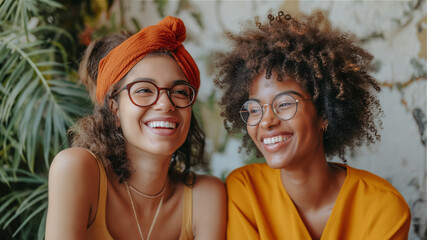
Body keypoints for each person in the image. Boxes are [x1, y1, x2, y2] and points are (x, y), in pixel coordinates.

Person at [214, 10, 411, 239]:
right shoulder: (246, 190)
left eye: (285, 103)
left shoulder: (382, 207)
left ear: (324, 113)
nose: (266, 121)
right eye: (255, 109)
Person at [46, 16, 226, 240]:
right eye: (143, 90)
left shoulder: (206, 197)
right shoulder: (77, 169)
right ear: (114, 109)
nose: (166, 104)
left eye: (180, 92)